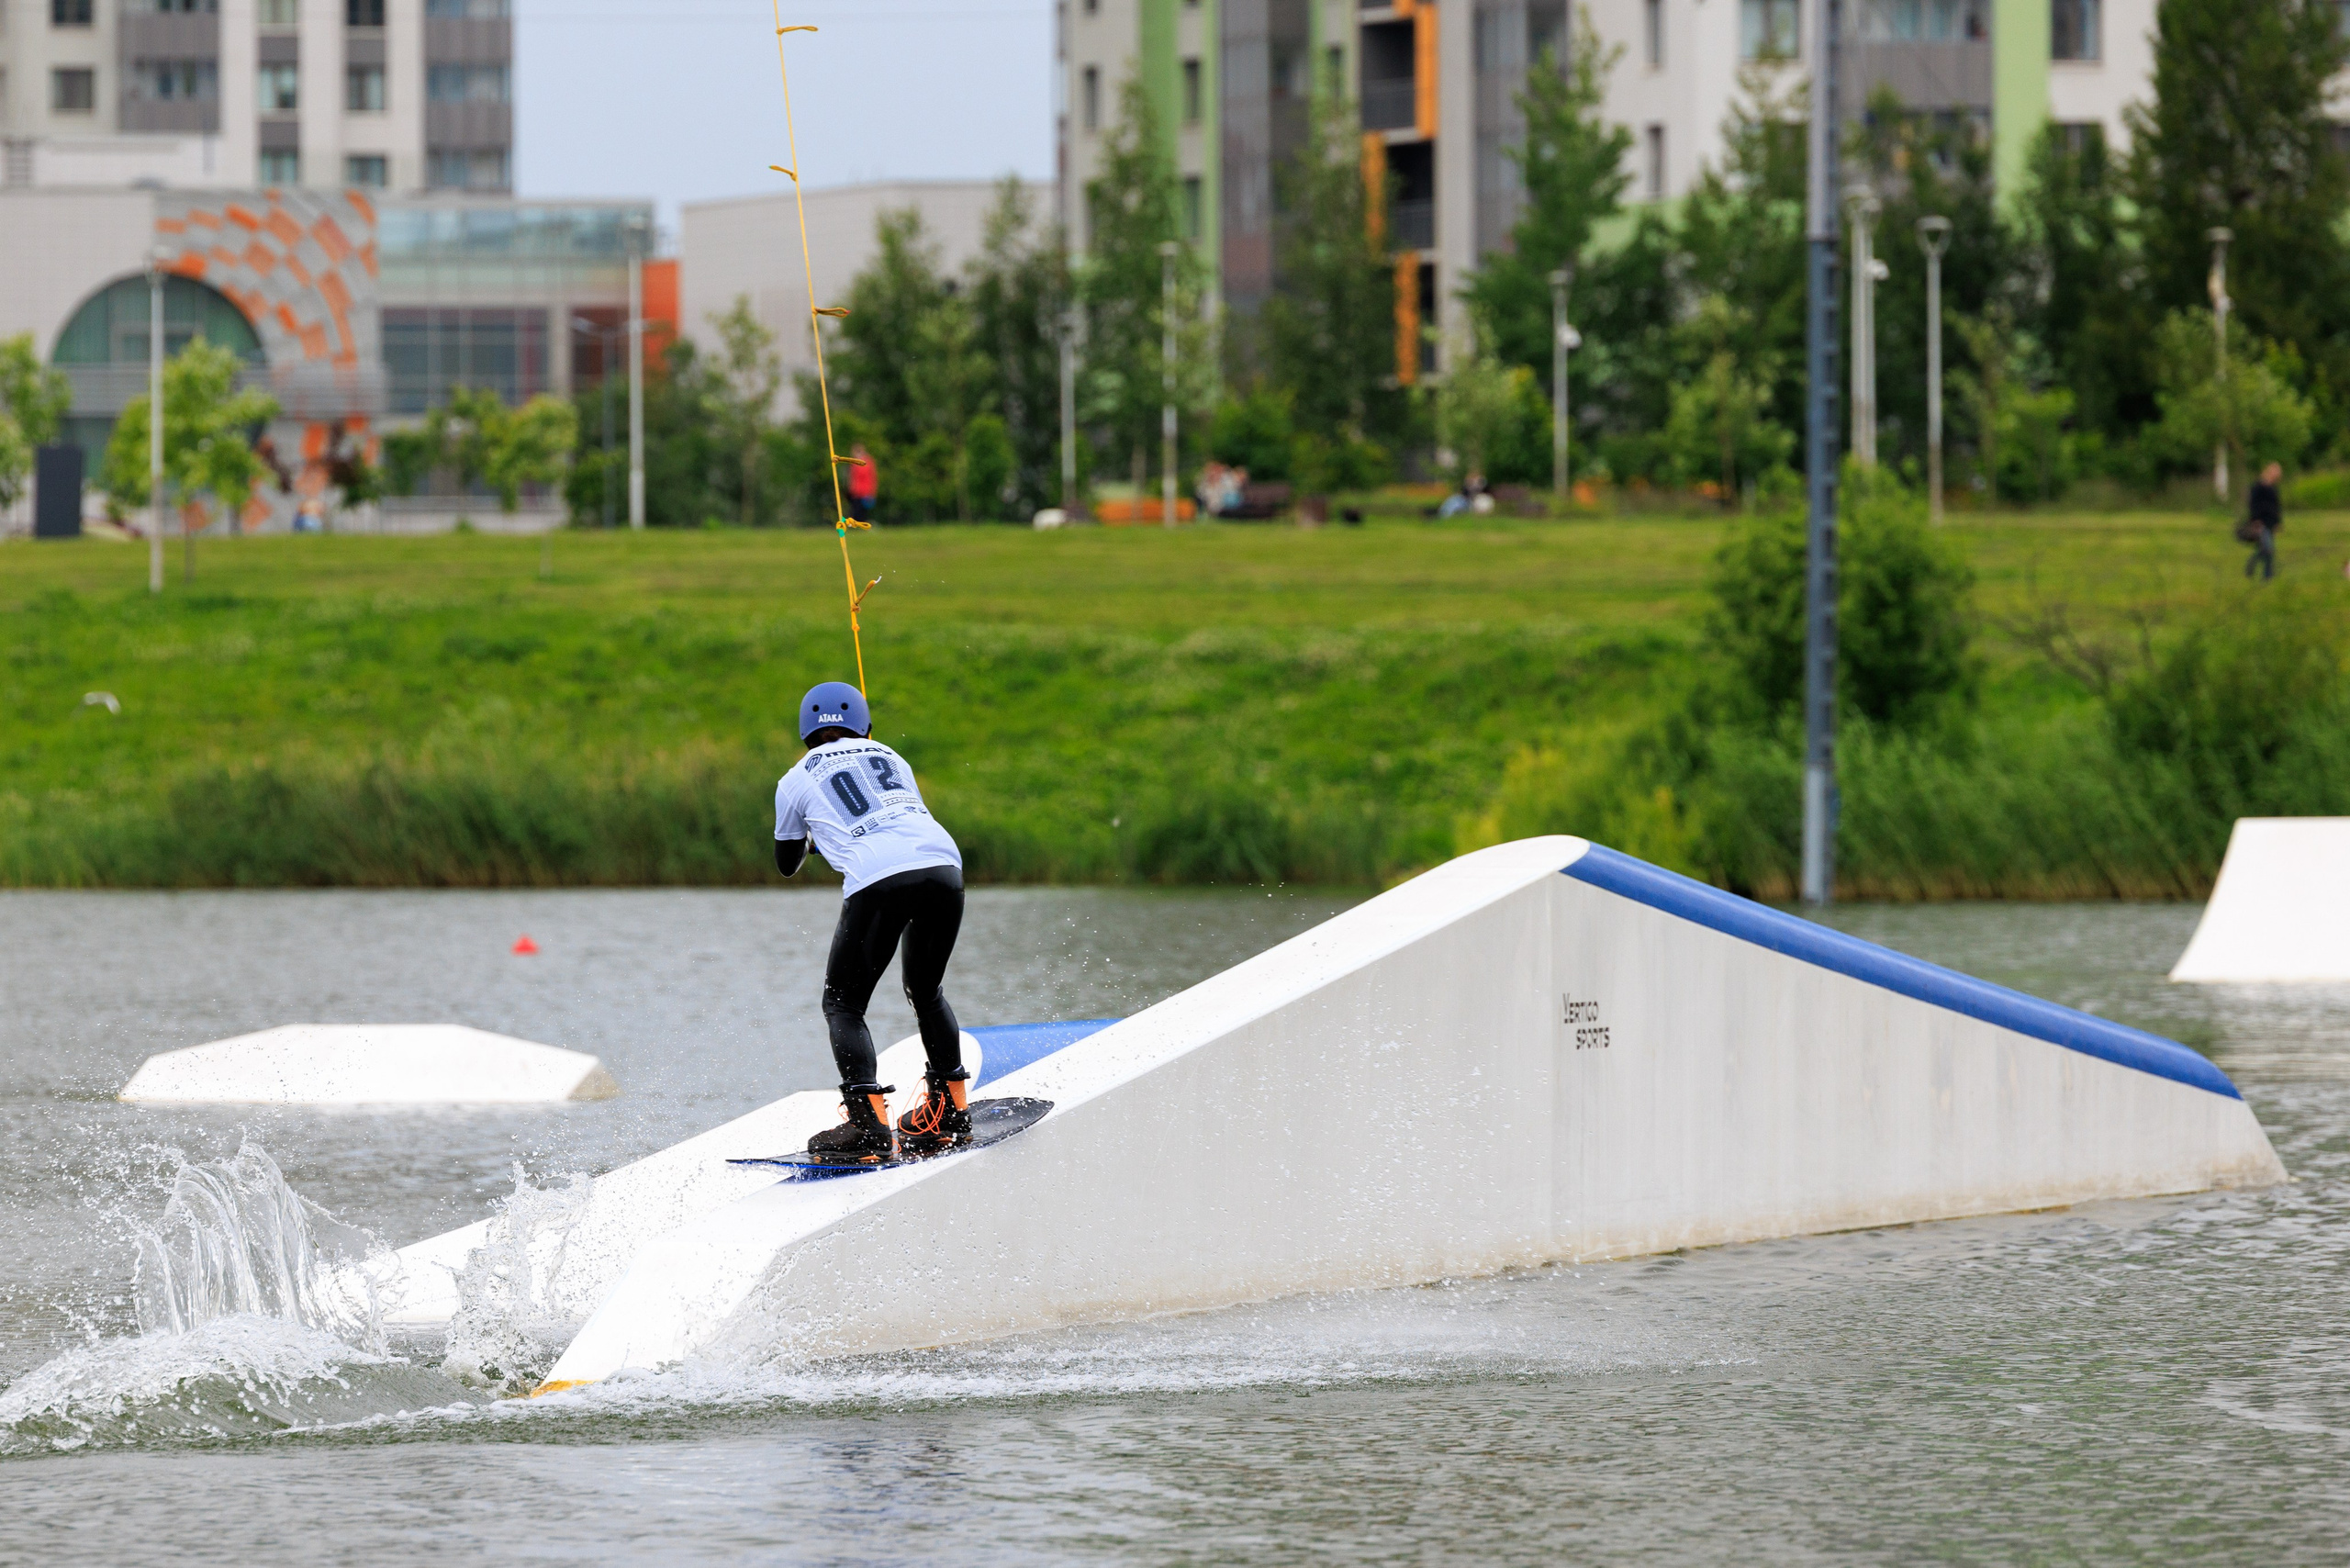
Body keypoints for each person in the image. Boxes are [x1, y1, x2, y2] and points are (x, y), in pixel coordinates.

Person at [774, 680, 968, 1162]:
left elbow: (786, 862)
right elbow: (894, 815)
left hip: (878, 879)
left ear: (805, 734)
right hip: (944, 866)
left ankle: (868, 1127)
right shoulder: (891, 755)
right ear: (864, 725)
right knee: (925, 990)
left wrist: (814, 841)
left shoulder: (793, 780)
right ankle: (950, 1110)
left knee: (842, 1004)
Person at [2245, 462, 2282, 581]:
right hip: (2261, 522)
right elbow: (2253, 504)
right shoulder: (2258, 486)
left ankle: (2257, 568)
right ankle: (2267, 574)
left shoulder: (2273, 488)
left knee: (2266, 549)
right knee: (2268, 548)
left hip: (2271, 521)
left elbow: (2276, 506)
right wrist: (2255, 520)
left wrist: (2278, 522)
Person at [845, 444, 878, 524]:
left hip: (865, 490)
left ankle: (860, 524)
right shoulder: (854, 463)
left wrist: (872, 490)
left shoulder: (866, 462)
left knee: (861, 510)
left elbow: (871, 476)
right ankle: (855, 524)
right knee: (856, 509)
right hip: (856, 491)